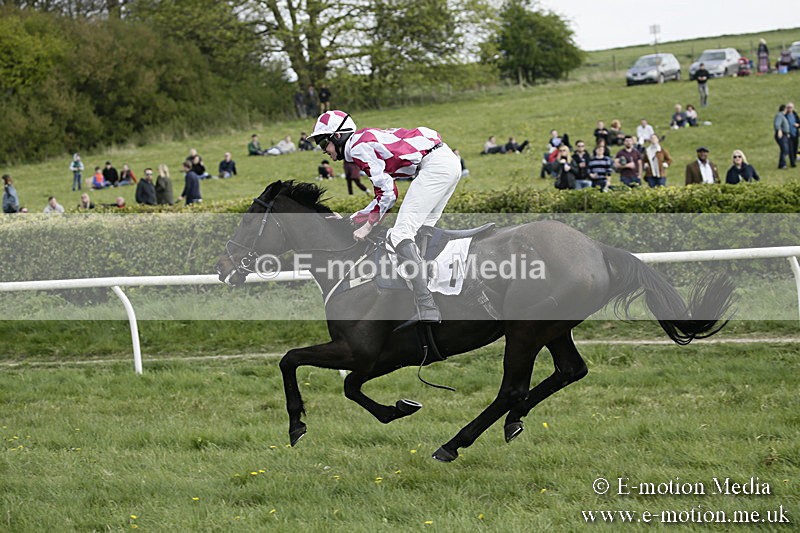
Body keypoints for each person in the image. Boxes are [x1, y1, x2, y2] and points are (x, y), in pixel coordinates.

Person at [308, 109, 461, 325]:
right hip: (445, 162)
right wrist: (351, 219)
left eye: (324, 143)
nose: (324, 150)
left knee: (400, 235)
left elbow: (388, 195)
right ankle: (433, 294)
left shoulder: (358, 147)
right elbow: (384, 194)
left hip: (435, 167)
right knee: (420, 233)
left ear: (338, 136)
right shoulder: (361, 141)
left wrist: (367, 226)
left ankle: (427, 306)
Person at [774, 104, 791, 170]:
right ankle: (782, 165)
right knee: (784, 149)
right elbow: (777, 124)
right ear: (784, 109)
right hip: (781, 135)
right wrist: (779, 130)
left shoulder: (782, 116)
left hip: (784, 134)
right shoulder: (780, 115)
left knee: (785, 149)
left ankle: (782, 164)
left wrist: (787, 133)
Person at [785, 102, 799, 168]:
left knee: (795, 148)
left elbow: (799, 122)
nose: (789, 109)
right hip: (788, 135)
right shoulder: (785, 115)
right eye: (788, 107)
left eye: (790, 107)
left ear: (793, 108)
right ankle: (792, 163)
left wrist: (798, 125)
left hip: (795, 134)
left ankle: (795, 158)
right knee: (790, 149)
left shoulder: (795, 115)